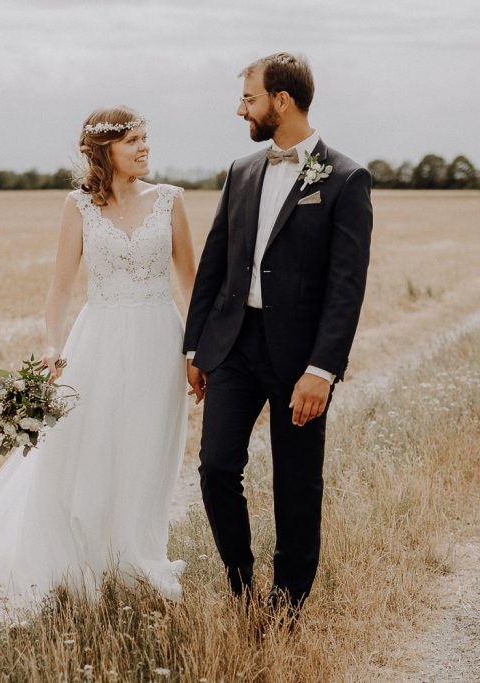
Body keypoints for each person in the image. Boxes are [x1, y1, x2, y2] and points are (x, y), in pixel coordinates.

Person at [0, 106, 197, 601]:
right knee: (91, 447)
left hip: (159, 340)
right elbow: (60, 288)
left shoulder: (171, 200)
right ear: (106, 150)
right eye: (133, 141)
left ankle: (135, 558)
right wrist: (51, 342)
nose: (144, 147)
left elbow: (191, 284)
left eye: (146, 138)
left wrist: (197, 349)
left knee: (148, 452)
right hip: (98, 339)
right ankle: (84, 559)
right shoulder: (78, 206)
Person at [183, 53, 373, 619]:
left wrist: (322, 370)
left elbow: (347, 287)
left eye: (249, 97)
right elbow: (215, 262)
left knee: (295, 484)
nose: (241, 107)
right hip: (235, 345)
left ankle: (287, 603)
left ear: (281, 101)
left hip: (300, 360)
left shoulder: (344, 178)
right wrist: (195, 346)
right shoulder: (242, 171)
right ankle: (241, 587)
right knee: (216, 467)